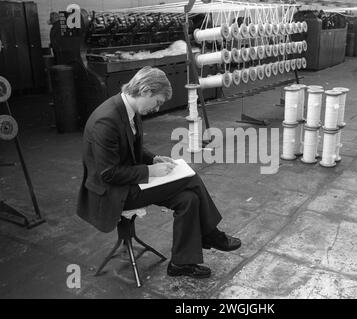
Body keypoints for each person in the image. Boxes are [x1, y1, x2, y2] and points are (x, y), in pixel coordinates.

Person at [76, 66, 241, 279]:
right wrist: (150, 171)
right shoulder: (106, 120)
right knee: (190, 177)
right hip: (112, 192)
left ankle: (181, 264)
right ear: (145, 91)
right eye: (158, 102)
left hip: (126, 183)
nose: (157, 108)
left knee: (188, 199)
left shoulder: (126, 108)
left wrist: (153, 158)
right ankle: (210, 234)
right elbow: (108, 174)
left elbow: (130, 147)